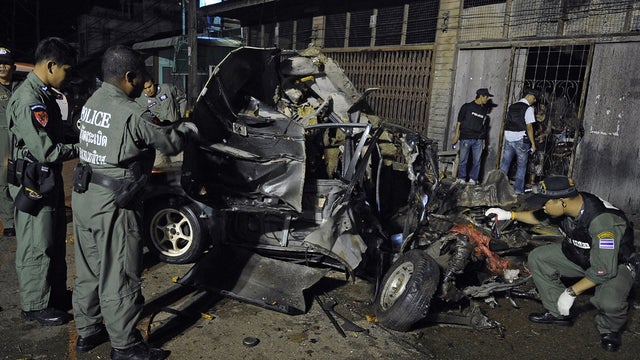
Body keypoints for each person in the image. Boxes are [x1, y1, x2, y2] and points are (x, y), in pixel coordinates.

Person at [71, 45, 197, 359]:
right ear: (129, 76)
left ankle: (87, 332)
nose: (144, 83)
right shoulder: (131, 111)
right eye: (140, 77)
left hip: (83, 195)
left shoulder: (92, 102)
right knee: (120, 272)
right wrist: (187, 126)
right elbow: (170, 141)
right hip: (113, 203)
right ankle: (125, 345)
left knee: (89, 268)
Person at [485, 176, 636, 352]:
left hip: (614, 265)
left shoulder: (602, 222)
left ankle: (609, 330)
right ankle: (558, 312)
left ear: (562, 202)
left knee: (609, 302)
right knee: (538, 258)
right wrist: (509, 215)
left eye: (544, 203)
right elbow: (538, 217)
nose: (542, 207)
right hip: (581, 255)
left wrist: (571, 292)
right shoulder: (570, 205)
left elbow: (603, 269)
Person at [6, 37, 78, 326]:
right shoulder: (29, 99)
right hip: (34, 180)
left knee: (52, 238)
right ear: (51, 66)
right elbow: (46, 150)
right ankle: (34, 304)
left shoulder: (45, 94)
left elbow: (55, 135)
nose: (68, 76)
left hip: (46, 179)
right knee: (37, 242)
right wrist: (83, 149)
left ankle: (54, 295)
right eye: (67, 70)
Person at [136, 79, 187, 166]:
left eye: (150, 86)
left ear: (154, 83)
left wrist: (181, 116)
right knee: (160, 164)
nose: (148, 90)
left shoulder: (168, 88)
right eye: (145, 88)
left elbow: (182, 100)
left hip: (175, 130)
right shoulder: (140, 100)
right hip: (159, 135)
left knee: (181, 161)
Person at [499, 88, 539, 194]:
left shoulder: (512, 106)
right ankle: (517, 190)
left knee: (505, 164)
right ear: (530, 96)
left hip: (509, 138)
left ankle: (499, 188)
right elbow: (529, 127)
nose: (534, 101)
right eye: (534, 99)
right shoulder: (528, 108)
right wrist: (533, 144)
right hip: (521, 140)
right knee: (521, 166)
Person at [451, 88, 493, 185]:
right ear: (481, 96)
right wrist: (457, 135)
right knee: (463, 160)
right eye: (486, 97)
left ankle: (473, 180)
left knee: (477, 161)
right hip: (466, 137)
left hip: (478, 139)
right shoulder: (466, 107)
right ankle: (461, 178)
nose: (487, 99)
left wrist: (483, 141)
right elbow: (459, 122)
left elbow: (483, 127)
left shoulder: (484, 111)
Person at [0, 47, 20, 237]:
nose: (2, 66)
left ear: (13, 67)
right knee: (3, 181)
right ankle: (9, 222)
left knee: (23, 177)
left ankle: (23, 216)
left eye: (5, 63)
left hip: (21, 139)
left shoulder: (21, 88)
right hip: (2, 141)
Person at [527, 102, 552, 186]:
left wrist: (544, 135)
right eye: (540, 106)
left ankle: (539, 181)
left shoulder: (548, 119)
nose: (541, 108)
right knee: (532, 160)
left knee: (540, 160)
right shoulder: (533, 118)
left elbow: (549, 130)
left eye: (543, 107)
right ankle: (531, 181)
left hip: (542, 142)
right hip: (533, 141)